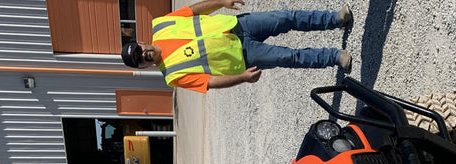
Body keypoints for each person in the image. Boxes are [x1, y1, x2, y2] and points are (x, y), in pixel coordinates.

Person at [121, 0, 353, 93]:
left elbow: (193, 10)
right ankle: (334, 57)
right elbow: (209, 82)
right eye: (140, 60)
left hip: (238, 25)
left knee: (286, 18)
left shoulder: (161, 25)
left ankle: (335, 19)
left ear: (140, 43)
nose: (144, 55)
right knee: (289, 57)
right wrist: (242, 78)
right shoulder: (173, 75)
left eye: (139, 51)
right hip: (243, 56)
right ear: (143, 67)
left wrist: (221, 2)